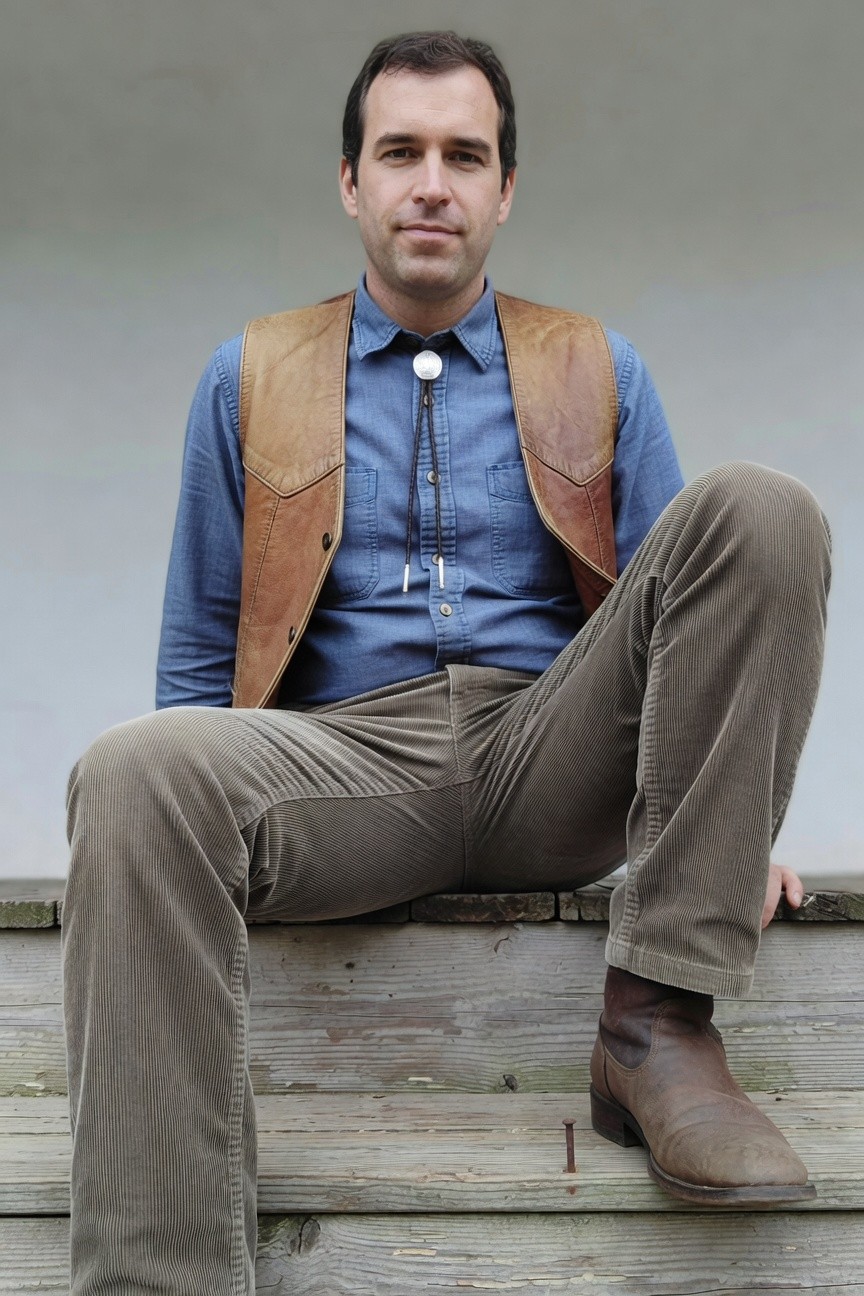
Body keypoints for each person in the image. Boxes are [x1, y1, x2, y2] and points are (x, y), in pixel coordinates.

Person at [63, 29, 831, 1295]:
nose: (434, 182)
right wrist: (193, 828)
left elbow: (695, 610)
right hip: (345, 766)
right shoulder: (248, 374)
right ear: (351, 183)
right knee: (134, 771)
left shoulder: (599, 365)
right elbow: (200, 653)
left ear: (505, 189)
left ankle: (658, 1028)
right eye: (401, 152)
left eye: (465, 156)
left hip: (556, 749)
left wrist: (721, 823)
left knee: (761, 508)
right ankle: (162, 1279)